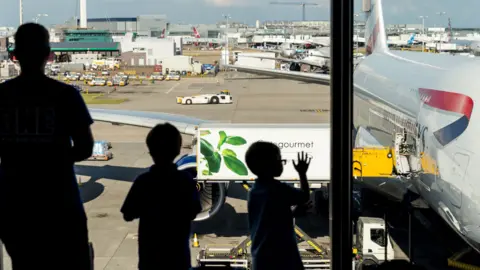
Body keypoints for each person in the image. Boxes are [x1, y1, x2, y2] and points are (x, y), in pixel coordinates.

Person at [0, 23, 94, 269]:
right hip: (59, 200)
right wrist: (55, 159)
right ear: (48, 54)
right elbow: (85, 148)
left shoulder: (2, 96)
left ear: (15, 55)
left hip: (15, 203)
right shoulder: (66, 96)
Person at [121, 123, 202, 270]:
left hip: (150, 259)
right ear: (178, 150)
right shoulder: (185, 180)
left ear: (150, 151)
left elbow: (128, 214)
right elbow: (194, 210)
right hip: (178, 259)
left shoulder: (143, 181)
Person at [246, 142, 312, 270]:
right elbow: (304, 196)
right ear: (268, 165)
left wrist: (290, 213)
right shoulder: (278, 188)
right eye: (279, 159)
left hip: (261, 257)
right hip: (282, 256)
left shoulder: (254, 192)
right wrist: (302, 173)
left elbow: (268, 218)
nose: (282, 163)